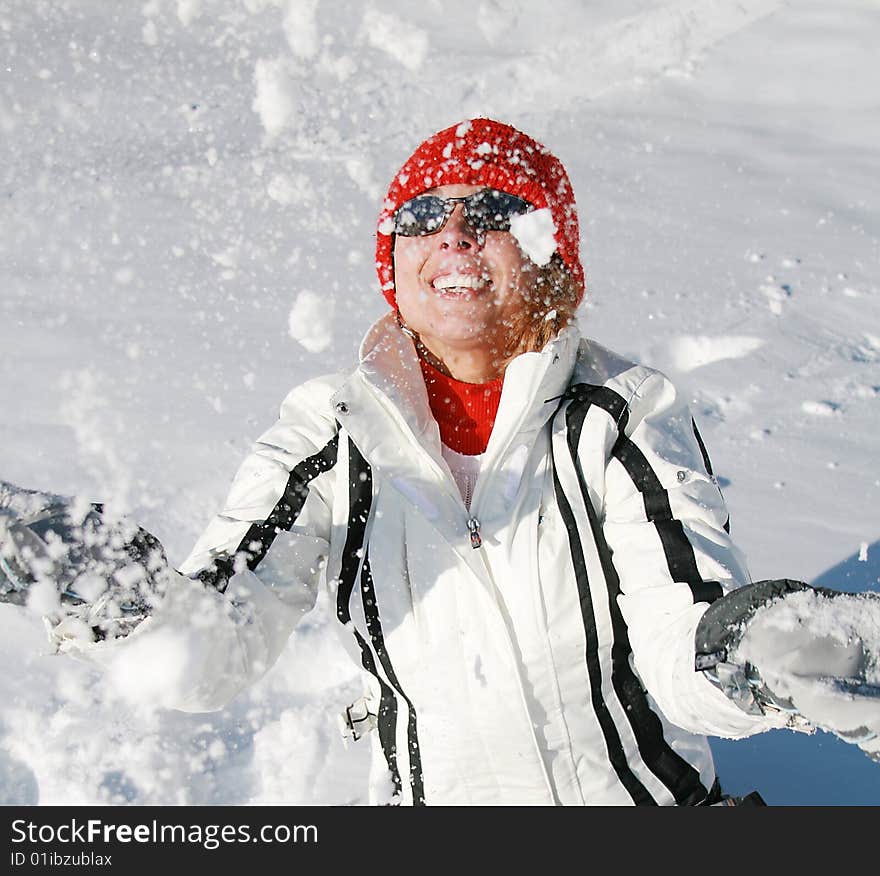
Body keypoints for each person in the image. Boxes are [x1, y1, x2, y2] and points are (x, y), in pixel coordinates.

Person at [1, 118, 878, 806]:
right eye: (424, 217)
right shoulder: (327, 435)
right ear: (397, 260)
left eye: (494, 214)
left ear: (548, 258)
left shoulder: (620, 415)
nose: (454, 235)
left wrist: (757, 652)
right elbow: (212, 655)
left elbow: (681, 646)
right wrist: (111, 588)